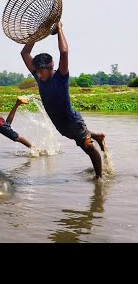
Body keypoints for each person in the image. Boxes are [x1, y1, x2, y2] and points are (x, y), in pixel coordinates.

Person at [20, 21, 106, 178]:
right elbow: (24, 54)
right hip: (61, 126)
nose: (38, 75)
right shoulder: (39, 78)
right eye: (37, 71)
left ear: (51, 67)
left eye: (41, 71)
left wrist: (59, 29)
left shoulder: (61, 77)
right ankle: (98, 136)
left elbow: (64, 53)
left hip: (72, 122)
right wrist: (38, 34)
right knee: (75, 136)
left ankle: (99, 179)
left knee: (89, 149)